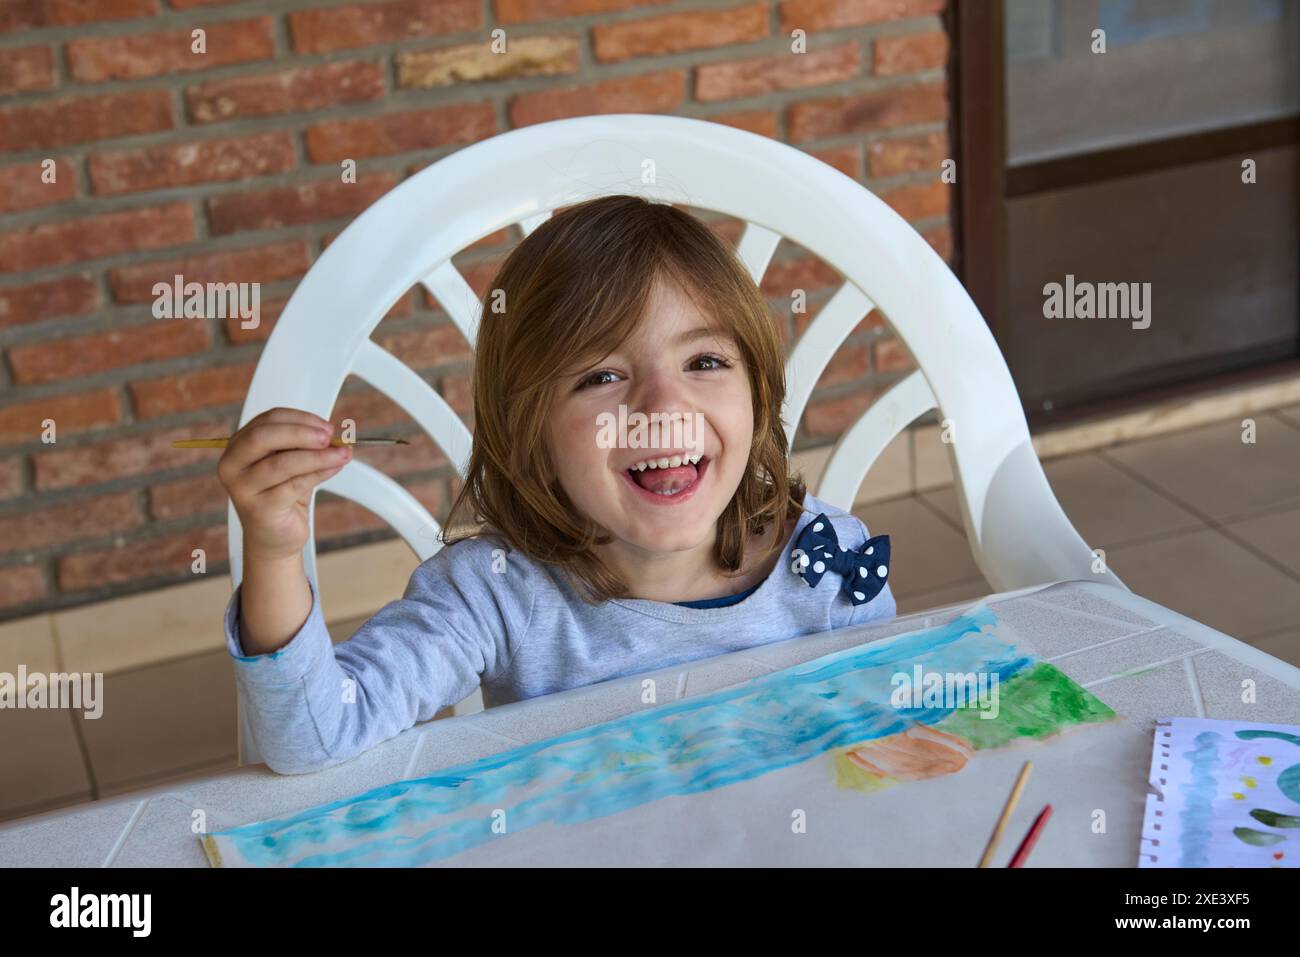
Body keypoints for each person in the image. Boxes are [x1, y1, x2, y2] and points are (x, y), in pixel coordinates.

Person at [218, 194, 895, 775]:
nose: (663, 408)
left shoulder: (830, 567)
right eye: (602, 375)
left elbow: (884, 746)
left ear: (757, 394)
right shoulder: (494, 593)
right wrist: (274, 551)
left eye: (705, 360)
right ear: (531, 434)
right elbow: (314, 740)